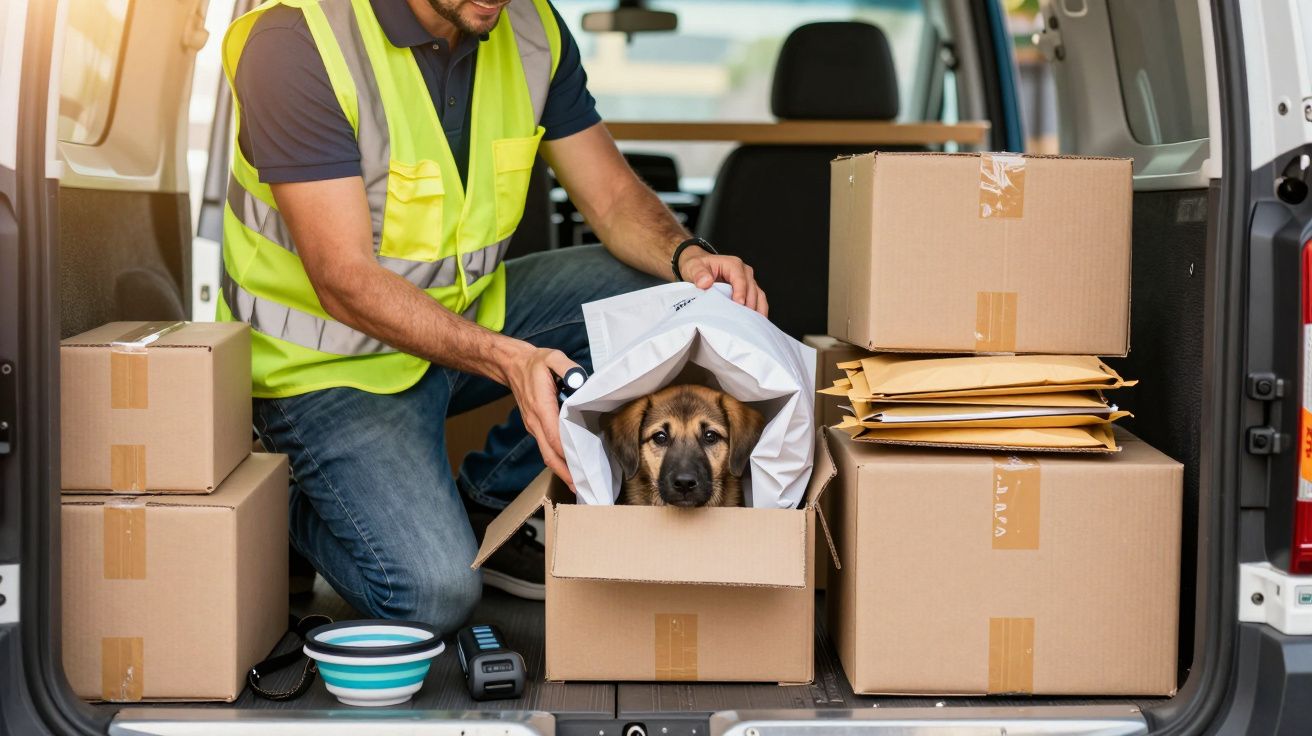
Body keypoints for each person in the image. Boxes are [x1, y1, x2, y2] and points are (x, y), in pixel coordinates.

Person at [219, 0, 768, 631]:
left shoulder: (532, 28)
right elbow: (343, 279)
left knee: (665, 292)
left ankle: (487, 501)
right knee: (434, 596)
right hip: (326, 368)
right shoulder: (298, 41)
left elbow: (614, 198)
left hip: (462, 322)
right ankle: (288, 497)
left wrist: (690, 258)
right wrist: (506, 357)